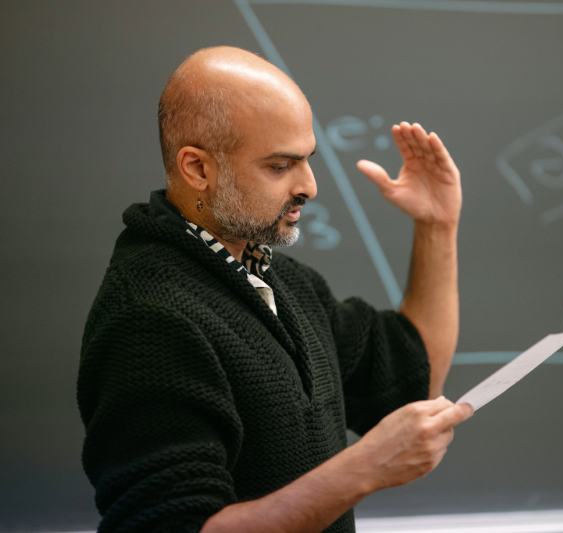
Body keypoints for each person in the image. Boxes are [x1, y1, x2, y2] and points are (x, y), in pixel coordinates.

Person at [77, 45, 473, 533]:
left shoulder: (277, 280)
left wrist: (437, 225)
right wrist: (361, 469)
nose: (309, 185)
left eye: (307, 159)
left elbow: (410, 379)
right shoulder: (151, 320)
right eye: (280, 166)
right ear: (197, 169)